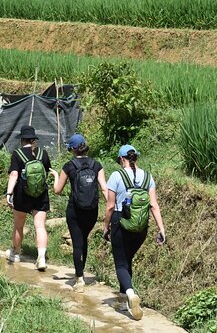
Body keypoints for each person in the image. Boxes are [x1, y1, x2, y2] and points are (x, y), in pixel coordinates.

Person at [103, 144, 166, 320]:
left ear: (122, 159)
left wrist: (105, 226)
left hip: (120, 222)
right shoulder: (148, 176)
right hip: (141, 226)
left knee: (121, 263)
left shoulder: (117, 175)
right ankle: (123, 302)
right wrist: (161, 228)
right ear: (135, 157)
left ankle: (130, 295)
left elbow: (109, 206)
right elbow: (153, 205)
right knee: (127, 259)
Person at [54, 134, 108, 292]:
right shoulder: (96, 165)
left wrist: (56, 177)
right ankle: (81, 272)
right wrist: (112, 206)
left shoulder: (69, 166)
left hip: (74, 210)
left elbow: (57, 190)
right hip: (92, 210)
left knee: (77, 242)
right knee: (84, 239)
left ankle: (79, 279)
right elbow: (104, 188)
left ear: (72, 149)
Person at [5, 125, 59, 271]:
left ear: (22, 139)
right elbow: (46, 173)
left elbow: (14, 175)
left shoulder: (17, 154)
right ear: (34, 139)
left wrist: (9, 193)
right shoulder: (43, 154)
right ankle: (41, 257)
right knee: (40, 226)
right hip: (41, 194)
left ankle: (15, 253)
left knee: (18, 225)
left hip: (22, 195)